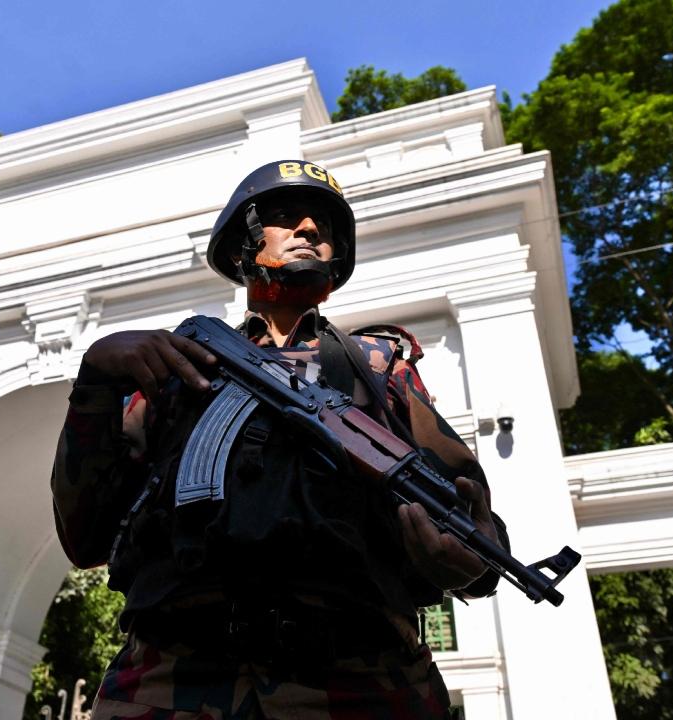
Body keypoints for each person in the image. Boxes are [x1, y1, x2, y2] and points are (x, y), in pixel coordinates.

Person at [50, 160, 507, 719]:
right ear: (245, 237)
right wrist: (96, 380)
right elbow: (85, 537)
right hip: (170, 675)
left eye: (325, 226)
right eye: (287, 216)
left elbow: (471, 514)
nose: (311, 229)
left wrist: (474, 563)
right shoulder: (177, 365)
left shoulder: (378, 367)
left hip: (360, 675)